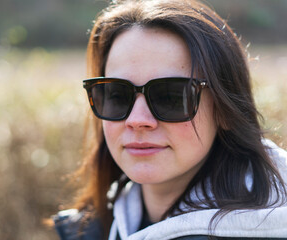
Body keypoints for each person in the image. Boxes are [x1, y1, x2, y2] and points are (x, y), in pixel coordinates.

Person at [52, 0, 287, 239]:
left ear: (225, 110)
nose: (137, 120)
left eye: (170, 97)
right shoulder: (92, 227)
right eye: (117, 94)